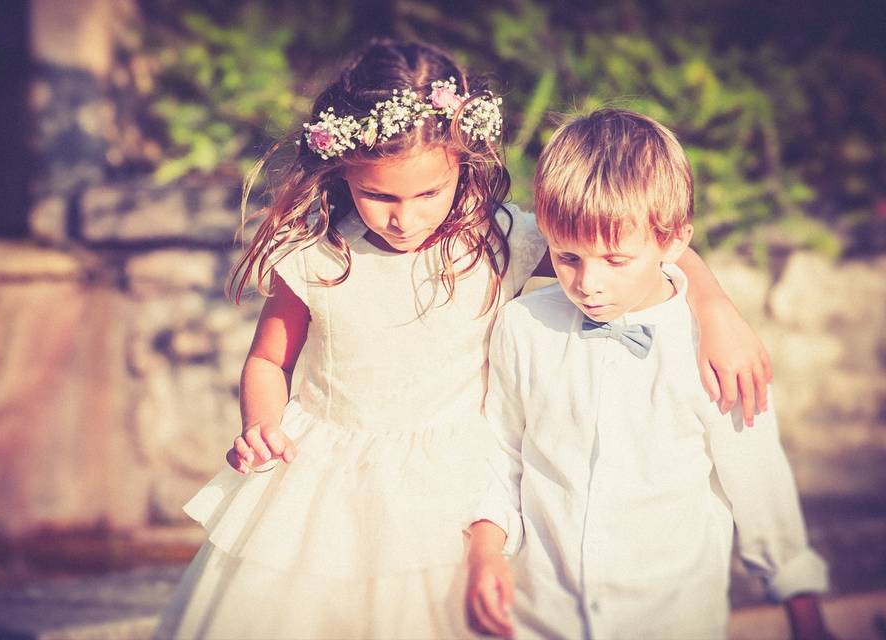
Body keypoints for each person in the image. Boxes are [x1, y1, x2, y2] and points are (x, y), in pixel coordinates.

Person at [155, 41, 771, 639]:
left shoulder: (500, 240)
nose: (406, 217)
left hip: (455, 493)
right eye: (378, 195)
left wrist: (714, 306)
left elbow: (626, 244)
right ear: (341, 171)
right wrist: (263, 424)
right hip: (327, 486)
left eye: (428, 192)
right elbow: (268, 359)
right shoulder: (317, 258)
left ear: (463, 161)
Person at [465, 108, 830, 640]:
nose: (588, 283)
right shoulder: (523, 326)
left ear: (674, 241)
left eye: (616, 260)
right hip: (541, 617)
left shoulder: (713, 348)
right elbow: (502, 455)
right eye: (567, 257)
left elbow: (759, 485)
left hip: (672, 620)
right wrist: (485, 550)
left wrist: (806, 615)